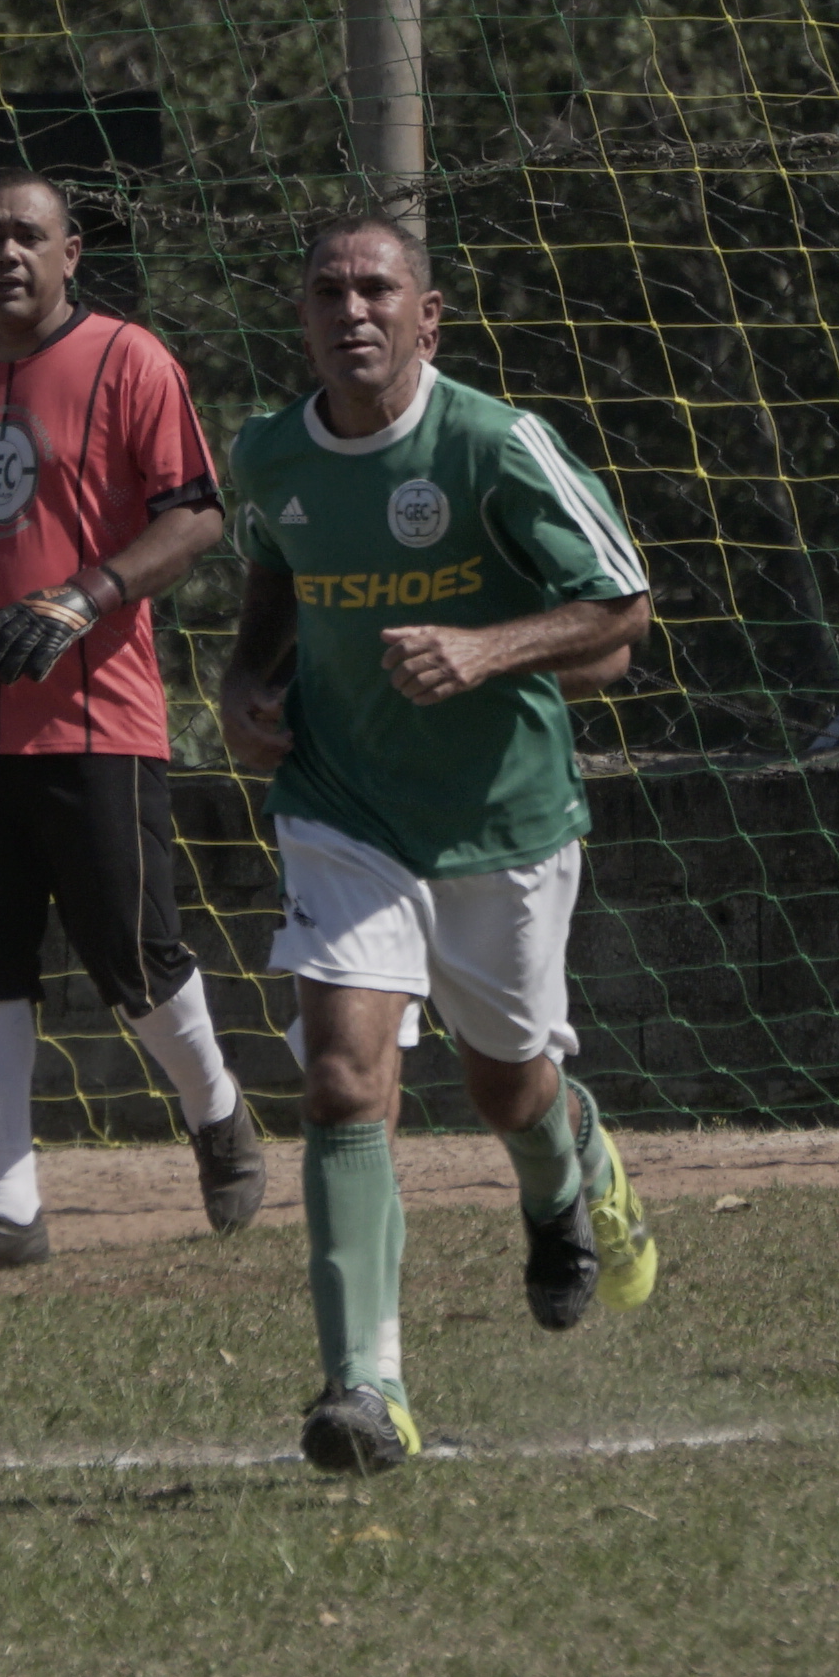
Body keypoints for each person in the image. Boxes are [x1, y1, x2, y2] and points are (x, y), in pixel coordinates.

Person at [213, 216, 660, 1474]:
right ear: (299, 316)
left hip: (500, 815)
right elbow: (276, 582)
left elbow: (623, 607)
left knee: (505, 1081)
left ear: (430, 315)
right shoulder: (268, 454)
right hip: (343, 805)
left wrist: (481, 649)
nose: (351, 311)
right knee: (346, 1079)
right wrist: (247, 680)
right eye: (325, 292)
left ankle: (564, 1170)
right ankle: (367, 1387)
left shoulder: (494, 444)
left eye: (377, 289)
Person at [0, 170, 265, 1276]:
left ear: (72, 252)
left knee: (136, 957)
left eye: (29, 236)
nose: (8, 253)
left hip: (96, 720)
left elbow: (195, 517)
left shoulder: (130, 360)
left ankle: (218, 1109)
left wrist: (82, 597)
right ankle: (8, 1210)